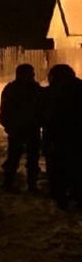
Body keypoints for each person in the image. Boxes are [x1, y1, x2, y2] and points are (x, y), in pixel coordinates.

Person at [0, 63, 43, 192]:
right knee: (20, 158)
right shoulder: (29, 89)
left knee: (27, 158)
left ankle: (19, 183)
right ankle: (16, 183)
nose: (33, 75)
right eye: (31, 73)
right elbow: (5, 110)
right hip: (23, 128)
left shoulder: (13, 88)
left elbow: (4, 110)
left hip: (25, 128)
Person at [42, 63, 82, 210]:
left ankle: (61, 198)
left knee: (58, 169)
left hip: (57, 138)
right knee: (76, 168)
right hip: (76, 137)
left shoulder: (51, 93)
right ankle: (76, 197)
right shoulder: (79, 88)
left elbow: (41, 114)